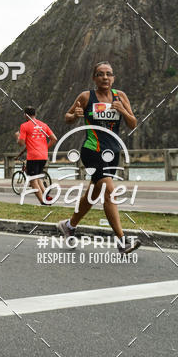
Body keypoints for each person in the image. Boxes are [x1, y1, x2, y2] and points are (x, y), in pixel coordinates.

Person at [57, 60, 141, 254]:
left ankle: (69, 225)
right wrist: (76, 115)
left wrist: (122, 110)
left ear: (113, 78)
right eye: (101, 74)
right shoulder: (87, 96)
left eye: (109, 74)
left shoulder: (120, 96)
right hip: (92, 150)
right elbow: (67, 117)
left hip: (112, 152)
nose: (105, 77)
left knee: (93, 194)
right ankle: (122, 241)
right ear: (94, 78)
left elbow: (133, 123)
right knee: (109, 191)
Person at [15, 107, 57, 205]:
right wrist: (45, 148)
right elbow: (54, 139)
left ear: (26, 115)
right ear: (35, 114)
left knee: (32, 181)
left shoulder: (24, 126)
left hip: (33, 156)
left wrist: (17, 136)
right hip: (43, 156)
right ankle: (46, 197)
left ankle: (43, 202)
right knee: (38, 178)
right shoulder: (44, 125)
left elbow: (21, 143)